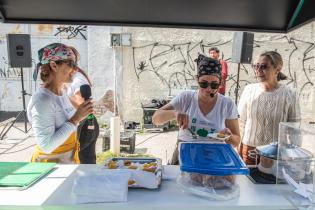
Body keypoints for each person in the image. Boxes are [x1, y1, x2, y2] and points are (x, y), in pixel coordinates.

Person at [152, 54, 240, 165]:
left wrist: (229, 136)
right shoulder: (186, 98)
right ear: (196, 79)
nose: (208, 89)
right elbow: (155, 119)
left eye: (214, 85)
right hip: (185, 154)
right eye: (203, 83)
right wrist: (174, 113)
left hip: (214, 156)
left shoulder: (227, 104)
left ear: (221, 83)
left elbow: (236, 140)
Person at [27, 43, 93, 163]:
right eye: (71, 64)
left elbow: (69, 126)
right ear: (54, 65)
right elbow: (46, 146)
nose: (76, 69)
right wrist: (76, 119)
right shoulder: (42, 100)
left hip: (68, 161)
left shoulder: (64, 92)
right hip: (48, 167)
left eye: (76, 64)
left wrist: (82, 114)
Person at [238, 51, 300, 165]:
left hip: (276, 154)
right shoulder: (249, 90)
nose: (258, 69)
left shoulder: (290, 93)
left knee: (271, 183)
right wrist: (236, 150)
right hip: (249, 152)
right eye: (256, 66)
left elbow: (294, 129)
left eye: (264, 66)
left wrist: (295, 156)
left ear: (277, 69)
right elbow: (240, 122)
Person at [67, 46, 99, 164]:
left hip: (84, 125)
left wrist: (64, 98)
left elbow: (83, 105)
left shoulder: (78, 80)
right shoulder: (74, 77)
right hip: (85, 124)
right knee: (85, 163)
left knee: (83, 165)